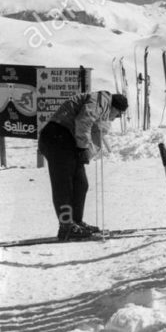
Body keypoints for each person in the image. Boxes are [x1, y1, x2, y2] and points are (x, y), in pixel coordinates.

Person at [38, 90, 128, 240]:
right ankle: (66, 226)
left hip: (67, 140)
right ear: (115, 107)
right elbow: (83, 121)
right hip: (56, 136)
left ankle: (76, 223)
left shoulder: (103, 110)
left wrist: (85, 152)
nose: (116, 118)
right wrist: (82, 148)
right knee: (64, 185)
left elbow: (94, 135)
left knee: (81, 184)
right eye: (118, 114)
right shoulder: (101, 100)